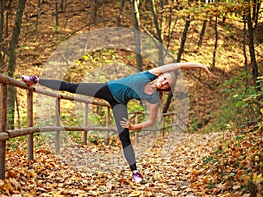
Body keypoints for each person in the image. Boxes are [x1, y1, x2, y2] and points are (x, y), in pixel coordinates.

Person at [22, 62, 212, 183]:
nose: (163, 81)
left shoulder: (153, 98)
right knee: (73, 87)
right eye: (163, 78)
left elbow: (152, 120)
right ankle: (35, 80)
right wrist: (200, 65)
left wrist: (133, 126)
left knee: (124, 137)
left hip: (119, 103)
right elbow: (179, 65)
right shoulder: (150, 73)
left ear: (167, 88)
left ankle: (135, 172)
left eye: (166, 83)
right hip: (107, 88)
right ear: (160, 75)